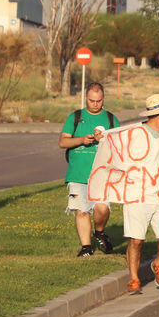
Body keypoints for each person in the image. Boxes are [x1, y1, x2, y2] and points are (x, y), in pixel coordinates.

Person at [59, 82, 119, 257]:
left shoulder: (110, 119)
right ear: (86, 97)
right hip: (78, 173)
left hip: (102, 174)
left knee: (102, 208)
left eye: (99, 100)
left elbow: (119, 148)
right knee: (82, 210)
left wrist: (104, 140)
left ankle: (99, 232)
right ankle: (86, 248)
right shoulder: (75, 117)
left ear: (103, 99)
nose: (95, 104)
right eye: (92, 100)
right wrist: (81, 140)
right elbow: (63, 142)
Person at [124, 94, 159, 294]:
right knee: (136, 239)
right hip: (137, 193)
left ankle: (158, 263)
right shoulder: (136, 132)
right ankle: (134, 278)